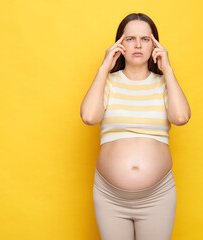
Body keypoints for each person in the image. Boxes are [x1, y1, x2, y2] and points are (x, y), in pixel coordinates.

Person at [80, 12, 191, 240]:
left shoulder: (164, 84)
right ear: (119, 45)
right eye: (130, 39)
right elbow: (89, 117)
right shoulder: (108, 82)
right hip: (110, 197)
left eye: (145, 39)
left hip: (157, 197)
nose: (138, 45)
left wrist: (167, 70)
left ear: (155, 45)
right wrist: (103, 68)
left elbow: (181, 117)